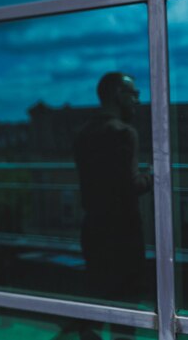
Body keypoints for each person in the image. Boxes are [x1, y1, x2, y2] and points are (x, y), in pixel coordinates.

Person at [73, 72, 153, 339]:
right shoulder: (123, 133)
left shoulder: (83, 133)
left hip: (93, 230)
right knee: (125, 307)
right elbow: (131, 184)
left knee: (97, 301)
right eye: (134, 94)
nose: (137, 101)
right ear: (119, 95)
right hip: (123, 234)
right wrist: (152, 176)